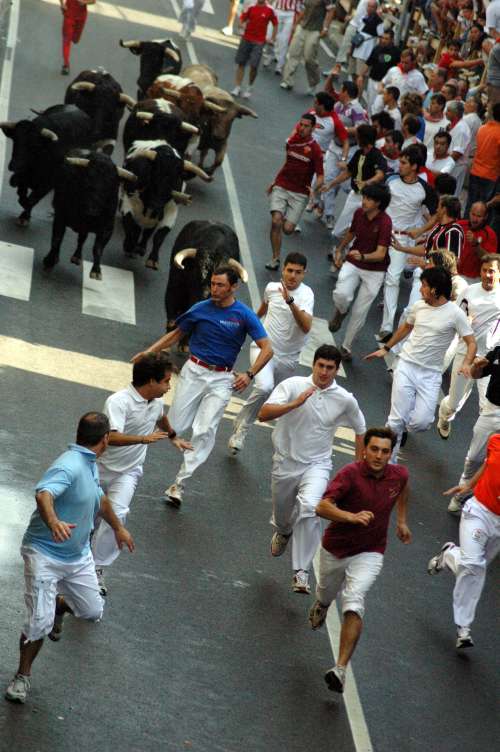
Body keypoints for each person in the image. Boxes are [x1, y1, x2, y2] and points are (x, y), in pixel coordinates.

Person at [4, 413, 134, 704]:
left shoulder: (89, 462)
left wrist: (118, 528)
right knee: (38, 623)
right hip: (44, 554)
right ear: (106, 439)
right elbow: (44, 493)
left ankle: (60, 606)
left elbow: (99, 499)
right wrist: (53, 522)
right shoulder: (70, 464)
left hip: (78, 556)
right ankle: (22, 676)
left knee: (92, 611)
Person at [132, 266, 273, 506]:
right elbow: (176, 334)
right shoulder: (200, 308)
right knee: (174, 425)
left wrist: (249, 375)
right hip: (194, 372)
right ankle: (131, 451)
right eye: (212, 284)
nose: (214, 289)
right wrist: (149, 352)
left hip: (222, 379)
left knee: (205, 430)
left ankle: (179, 484)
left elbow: (267, 349)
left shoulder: (244, 315)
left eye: (220, 285)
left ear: (234, 287)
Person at [258, 345, 366, 595]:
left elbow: (361, 430)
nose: (324, 372)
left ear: (337, 370)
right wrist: (295, 403)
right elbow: (263, 414)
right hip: (285, 461)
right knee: (283, 516)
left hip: (317, 465)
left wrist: (359, 471)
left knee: (310, 508)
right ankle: (283, 531)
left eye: (330, 368)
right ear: (314, 365)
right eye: (321, 366)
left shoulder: (345, 399)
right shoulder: (293, 385)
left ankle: (301, 571)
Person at [310, 427, 410, 693]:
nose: (378, 455)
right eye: (374, 449)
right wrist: (351, 517)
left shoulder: (399, 475)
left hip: (370, 551)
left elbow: (402, 489)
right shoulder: (350, 474)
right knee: (325, 593)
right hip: (336, 549)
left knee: (354, 601)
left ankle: (340, 669)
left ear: (391, 454)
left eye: (385, 451)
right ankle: (322, 604)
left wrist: (401, 521)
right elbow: (322, 506)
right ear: (364, 450)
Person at [91, 354, 192, 595]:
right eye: (166, 381)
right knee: (89, 522)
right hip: (99, 470)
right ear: (151, 381)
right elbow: (111, 437)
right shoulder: (118, 402)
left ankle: (96, 569)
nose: (169, 387)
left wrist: (173, 436)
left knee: (117, 515)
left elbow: (161, 417)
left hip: (128, 472)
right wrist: (143, 439)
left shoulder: (155, 402)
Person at [366, 267, 476, 461]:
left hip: (431, 375)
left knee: (422, 423)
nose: (420, 289)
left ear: (435, 289)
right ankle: (389, 463)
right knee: (395, 421)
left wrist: (467, 363)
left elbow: (471, 342)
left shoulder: (455, 314)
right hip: (406, 366)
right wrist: (387, 348)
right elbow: (406, 327)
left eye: (424, 285)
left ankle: (401, 426)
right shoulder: (418, 306)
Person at [228, 252, 314, 454]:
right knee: (264, 387)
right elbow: (260, 312)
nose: (293, 276)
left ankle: (242, 418)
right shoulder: (271, 288)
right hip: (263, 349)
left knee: (271, 400)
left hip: (288, 359)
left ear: (304, 274)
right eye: (290, 270)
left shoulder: (307, 295)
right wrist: (241, 330)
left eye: (298, 272)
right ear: (283, 269)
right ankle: (241, 430)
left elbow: (306, 327)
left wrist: (290, 302)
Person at [428, 432, 500, 649]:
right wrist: (469, 485)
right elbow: (488, 465)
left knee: (474, 570)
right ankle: (464, 628)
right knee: (473, 565)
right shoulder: (496, 441)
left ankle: (449, 554)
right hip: (479, 512)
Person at [379, 145, 438, 340]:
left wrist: (420, 230)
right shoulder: (390, 179)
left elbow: (437, 214)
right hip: (381, 232)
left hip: (401, 238)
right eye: (400, 161)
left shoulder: (425, 189)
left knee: (392, 278)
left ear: (414, 166)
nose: (400, 165)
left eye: (404, 163)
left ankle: (387, 327)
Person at [438, 255, 500, 439]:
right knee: (454, 403)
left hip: (490, 357)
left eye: (492, 271)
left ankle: (484, 447)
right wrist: (464, 322)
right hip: (466, 353)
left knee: (486, 406)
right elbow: (454, 317)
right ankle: (445, 416)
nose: (487, 275)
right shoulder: (469, 292)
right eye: (484, 270)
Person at [328, 184, 392, 360]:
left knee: (360, 311)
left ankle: (346, 347)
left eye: (369, 199)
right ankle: (341, 311)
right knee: (341, 294)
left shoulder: (385, 222)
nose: (364, 201)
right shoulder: (358, 213)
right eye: (364, 197)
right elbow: (351, 233)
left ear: (378, 203)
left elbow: (381, 254)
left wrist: (363, 256)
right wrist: (340, 249)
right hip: (354, 262)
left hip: (375, 271)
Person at [445, 345, 500, 514]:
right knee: (475, 457)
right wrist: (476, 365)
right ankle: (463, 492)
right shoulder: (498, 351)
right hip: (492, 410)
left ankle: (489, 505)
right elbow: (477, 374)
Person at [266, 113, 324, 270]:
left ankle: (288, 217)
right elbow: (288, 164)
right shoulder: (291, 142)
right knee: (276, 221)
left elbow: (320, 176)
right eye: (301, 125)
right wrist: (275, 181)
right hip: (282, 186)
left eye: (306, 126)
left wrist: (314, 189)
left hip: (300, 193)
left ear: (313, 128)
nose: (302, 128)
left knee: (288, 229)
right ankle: (275, 258)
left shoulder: (315, 150)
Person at [323, 123, 387, 244]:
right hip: (355, 195)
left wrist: (366, 183)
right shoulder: (359, 153)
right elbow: (348, 172)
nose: (356, 139)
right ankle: (343, 247)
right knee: (338, 231)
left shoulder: (377, 155)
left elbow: (380, 175)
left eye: (357, 137)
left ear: (363, 138)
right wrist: (331, 184)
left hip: (369, 198)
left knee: (358, 230)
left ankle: (345, 251)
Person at [280, 0, 335, 95]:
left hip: (315, 30)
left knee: (309, 58)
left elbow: (331, 10)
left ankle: (313, 82)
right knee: (293, 53)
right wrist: (296, 24)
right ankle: (287, 81)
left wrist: (326, 28)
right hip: (302, 27)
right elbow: (303, 9)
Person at [232, 0, 278, 99]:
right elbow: (242, 18)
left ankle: (249, 87)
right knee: (241, 63)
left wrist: (273, 38)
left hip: (259, 42)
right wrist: (241, 25)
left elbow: (275, 24)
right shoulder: (251, 6)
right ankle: (237, 87)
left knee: (254, 66)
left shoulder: (270, 10)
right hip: (246, 38)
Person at [464, 102, 500, 216]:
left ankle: (464, 223)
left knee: (470, 204)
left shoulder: (482, 128)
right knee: (484, 209)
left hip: (475, 171)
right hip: (490, 175)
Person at [457, 202, 498, 284]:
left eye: (479, 216)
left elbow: (489, 260)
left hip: (473, 279)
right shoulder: (459, 225)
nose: (475, 219)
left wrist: (476, 244)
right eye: (473, 214)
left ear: (485, 217)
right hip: (455, 273)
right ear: (469, 212)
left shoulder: (490, 234)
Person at [364, 28, 401, 114]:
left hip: (385, 85)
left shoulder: (397, 53)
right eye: (382, 38)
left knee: (379, 107)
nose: (383, 40)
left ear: (392, 40)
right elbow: (369, 62)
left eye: (386, 39)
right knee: (370, 104)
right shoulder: (377, 48)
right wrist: (361, 76)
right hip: (372, 80)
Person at [59, 0, 95, 76]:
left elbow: (93, 1)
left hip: (81, 16)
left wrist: (84, 2)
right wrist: (62, 4)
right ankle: (66, 65)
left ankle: (73, 38)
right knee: (66, 41)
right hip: (69, 14)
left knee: (75, 40)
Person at [446, 99, 471, 197]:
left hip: (456, 166)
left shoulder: (461, 129)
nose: (446, 113)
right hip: (452, 165)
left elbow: (457, 153)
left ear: (455, 113)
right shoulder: (453, 125)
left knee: (451, 195)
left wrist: (445, 167)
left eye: (448, 111)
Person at [271, 0, 303, 75]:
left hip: (291, 13)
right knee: (274, 35)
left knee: (285, 40)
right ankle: (274, 53)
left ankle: (279, 66)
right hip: (278, 10)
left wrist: (299, 19)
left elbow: (303, 4)